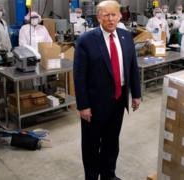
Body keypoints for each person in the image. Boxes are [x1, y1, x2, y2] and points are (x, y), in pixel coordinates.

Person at [73, 1, 141, 180]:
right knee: (91, 145)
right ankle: (92, 176)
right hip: (94, 105)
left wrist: (137, 94)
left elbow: (133, 67)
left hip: (118, 101)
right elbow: (79, 76)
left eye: (114, 15)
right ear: (98, 17)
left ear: (120, 16)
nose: (110, 19)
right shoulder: (86, 40)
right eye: (106, 15)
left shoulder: (126, 37)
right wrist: (83, 105)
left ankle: (108, 174)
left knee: (112, 142)